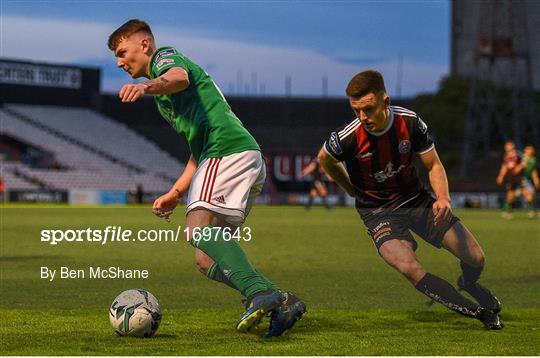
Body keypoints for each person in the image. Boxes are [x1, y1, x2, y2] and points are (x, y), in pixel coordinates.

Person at [107, 19, 305, 337]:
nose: (118, 62)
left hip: (226, 150)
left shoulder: (164, 59)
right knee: (204, 258)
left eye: (122, 51)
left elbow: (178, 77)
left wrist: (145, 87)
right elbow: (196, 151)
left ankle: (258, 293)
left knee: (197, 230)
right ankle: (282, 301)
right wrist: (175, 192)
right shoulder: (163, 101)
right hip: (234, 156)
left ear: (144, 45)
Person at [318, 70, 503, 329]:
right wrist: (350, 188)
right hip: (378, 212)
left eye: (368, 109)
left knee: (476, 257)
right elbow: (324, 159)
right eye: (356, 110)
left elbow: (434, 165)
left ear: (386, 101)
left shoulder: (410, 122)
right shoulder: (347, 136)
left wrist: (444, 199)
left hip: (417, 201)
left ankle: (469, 283)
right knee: (408, 266)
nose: (362, 118)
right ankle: (479, 312)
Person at [496, 141, 523, 219]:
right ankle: (507, 211)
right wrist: (500, 176)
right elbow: (505, 166)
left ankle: (533, 211)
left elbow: (524, 164)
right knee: (510, 196)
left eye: (509, 147)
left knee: (529, 197)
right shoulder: (506, 156)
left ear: (513, 147)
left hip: (520, 178)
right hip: (512, 179)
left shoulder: (518, 155)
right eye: (506, 147)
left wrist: (519, 169)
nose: (507, 149)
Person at [519, 145, 539, 218]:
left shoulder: (533, 159)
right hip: (522, 180)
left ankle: (532, 211)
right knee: (529, 197)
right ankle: (531, 211)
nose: (530, 151)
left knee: (532, 196)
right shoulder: (523, 158)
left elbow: (533, 172)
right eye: (528, 149)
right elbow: (518, 169)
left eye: (531, 150)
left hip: (528, 180)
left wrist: (536, 180)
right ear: (525, 151)